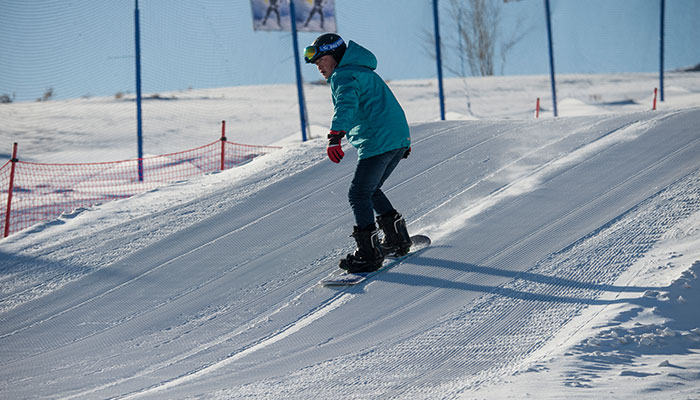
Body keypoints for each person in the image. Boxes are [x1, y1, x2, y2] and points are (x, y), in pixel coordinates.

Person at [303, 33, 412, 273]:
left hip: (378, 139)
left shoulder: (344, 74)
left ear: (337, 55)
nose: (319, 66)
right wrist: (401, 140)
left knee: (358, 194)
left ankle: (369, 254)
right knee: (370, 191)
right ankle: (397, 239)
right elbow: (388, 103)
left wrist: (335, 136)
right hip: (396, 138)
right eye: (316, 63)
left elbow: (346, 104)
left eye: (322, 59)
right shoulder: (363, 70)